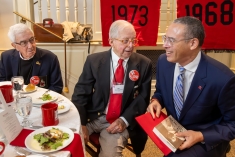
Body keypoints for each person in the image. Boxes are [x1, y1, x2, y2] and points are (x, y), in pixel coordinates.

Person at [147, 16, 235, 157]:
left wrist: (200, 135)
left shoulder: (223, 79)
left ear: (193, 43)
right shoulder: (164, 62)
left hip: (204, 141)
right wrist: (156, 100)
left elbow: (232, 125)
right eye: (165, 38)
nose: (165, 45)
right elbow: (161, 91)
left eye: (172, 40)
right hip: (173, 136)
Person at [72, 20, 152, 157]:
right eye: (125, 41)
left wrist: (124, 120)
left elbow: (142, 99)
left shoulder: (144, 64)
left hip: (120, 120)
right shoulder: (94, 61)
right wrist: (82, 123)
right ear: (111, 41)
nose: (131, 45)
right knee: (67, 143)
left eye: (133, 40)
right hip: (93, 117)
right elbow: (80, 94)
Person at [0, 23, 63, 93]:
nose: (30, 46)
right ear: (15, 46)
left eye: (32, 39)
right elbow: (2, 83)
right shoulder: (6, 57)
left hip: (40, 100)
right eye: (23, 43)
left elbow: (56, 87)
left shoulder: (50, 58)